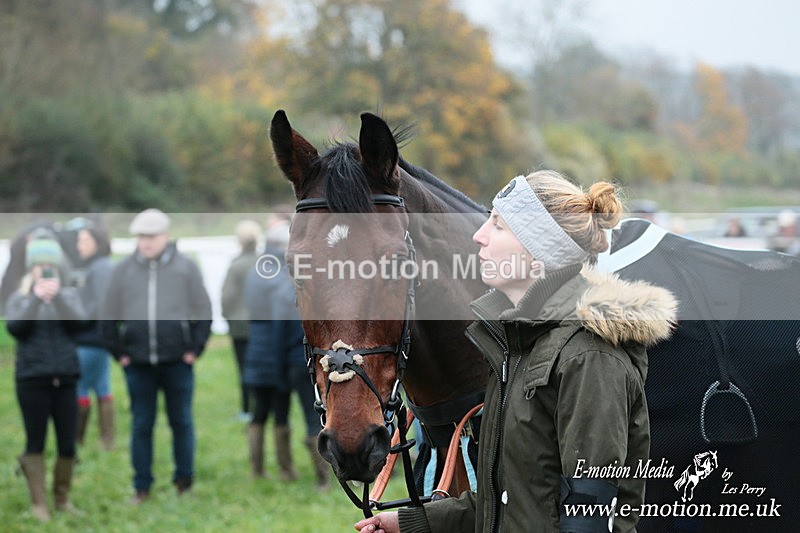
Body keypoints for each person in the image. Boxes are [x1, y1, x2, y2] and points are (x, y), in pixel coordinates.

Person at [356, 170, 677, 533]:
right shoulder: (518, 346)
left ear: (537, 253)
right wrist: (410, 523)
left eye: (498, 226)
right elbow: (507, 500)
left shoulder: (588, 356)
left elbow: (591, 517)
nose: (478, 236)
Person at [101, 208, 212, 503]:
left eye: (150, 237)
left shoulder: (186, 267)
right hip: (137, 364)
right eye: (140, 237)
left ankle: (184, 482)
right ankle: (141, 487)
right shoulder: (122, 270)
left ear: (165, 236)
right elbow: (108, 315)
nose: (145, 242)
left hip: (177, 363)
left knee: (181, 422)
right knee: (141, 425)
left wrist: (194, 349)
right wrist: (120, 352)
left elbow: (203, 310)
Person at [242, 214, 329, 488]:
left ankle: (284, 469)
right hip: (290, 356)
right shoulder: (288, 282)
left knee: (273, 413)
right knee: (310, 415)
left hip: (266, 352)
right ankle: (322, 478)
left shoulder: (257, 272)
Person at [6, 230, 88, 521]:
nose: (44, 269)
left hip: (65, 378)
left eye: (49, 264)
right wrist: (35, 300)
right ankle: (39, 504)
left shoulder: (69, 294)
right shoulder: (20, 296)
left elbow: (80, 325)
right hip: (32, 379)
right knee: (35, 441)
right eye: (39, 264)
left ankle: (62, 498)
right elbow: (15, 329)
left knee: (67, 443)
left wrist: (59, 299)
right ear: (31, 267)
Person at [72, 221, 116, 449]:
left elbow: (100, 304)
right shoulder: (98, 266)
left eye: (84, 240)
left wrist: (76, 323)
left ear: (97, 243)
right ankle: (106, 441)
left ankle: (76, 441)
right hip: (97, 339)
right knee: (101, 386)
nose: (80, 245)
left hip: (89, 339)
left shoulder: (100, 268)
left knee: (81, 386)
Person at [221, 219, 262, 422]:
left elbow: (226, 297)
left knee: (244, 368)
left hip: (240, 327)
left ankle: (247, 409)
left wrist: (227, 317)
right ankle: (263, 406)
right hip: (262, 326)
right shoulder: (266, 263)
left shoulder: (236, 265)